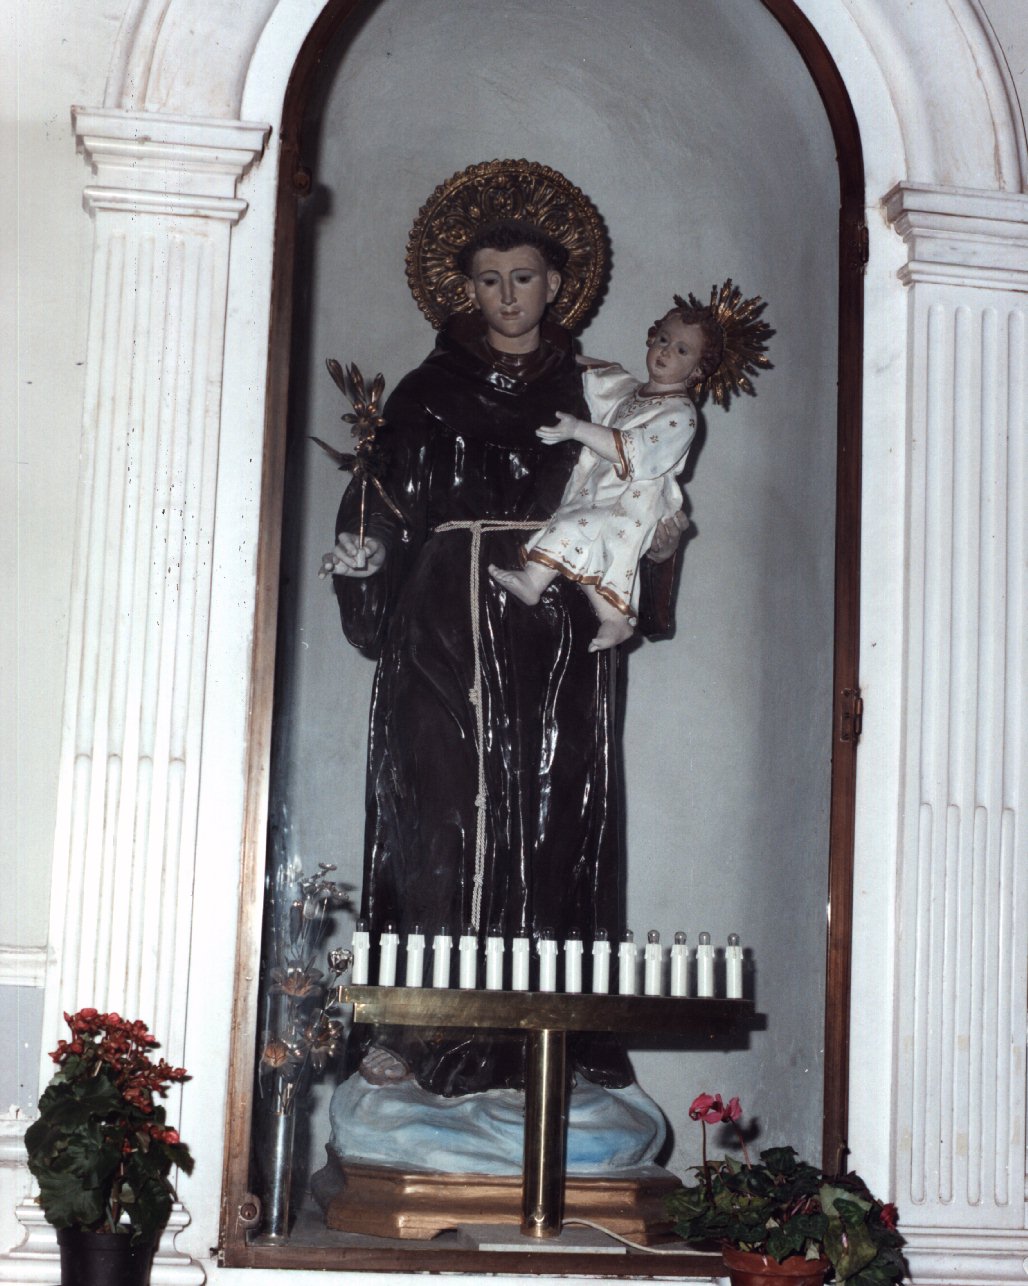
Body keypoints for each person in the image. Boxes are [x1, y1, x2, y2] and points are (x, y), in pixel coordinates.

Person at [321, 215, 683, 1098]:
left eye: (525, 277)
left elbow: (642, 496)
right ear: (468, 290)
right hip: (440, 619)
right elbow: (375, 505)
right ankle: (415, 1031)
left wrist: (666, 540)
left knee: (553, 813)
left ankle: (542, 1053)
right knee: (439, 817)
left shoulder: (604, 392)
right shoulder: (426, 391)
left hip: (550, 624)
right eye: (490, 280)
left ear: (556, 285)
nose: (508, 296)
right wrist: (364, 563)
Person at [488, 304, 724, 651]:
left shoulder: (681, 414)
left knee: (579, 531)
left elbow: (638, 450)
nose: (665, 351)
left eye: (681, 350)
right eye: (662, 339)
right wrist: (548, 353)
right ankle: (610, 618)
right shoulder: (632, 393)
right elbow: (598, 374)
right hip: (600, 491)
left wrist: (577, 429)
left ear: (698, 370)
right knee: (581, 542)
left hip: (634, 504)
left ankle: (538, 585)